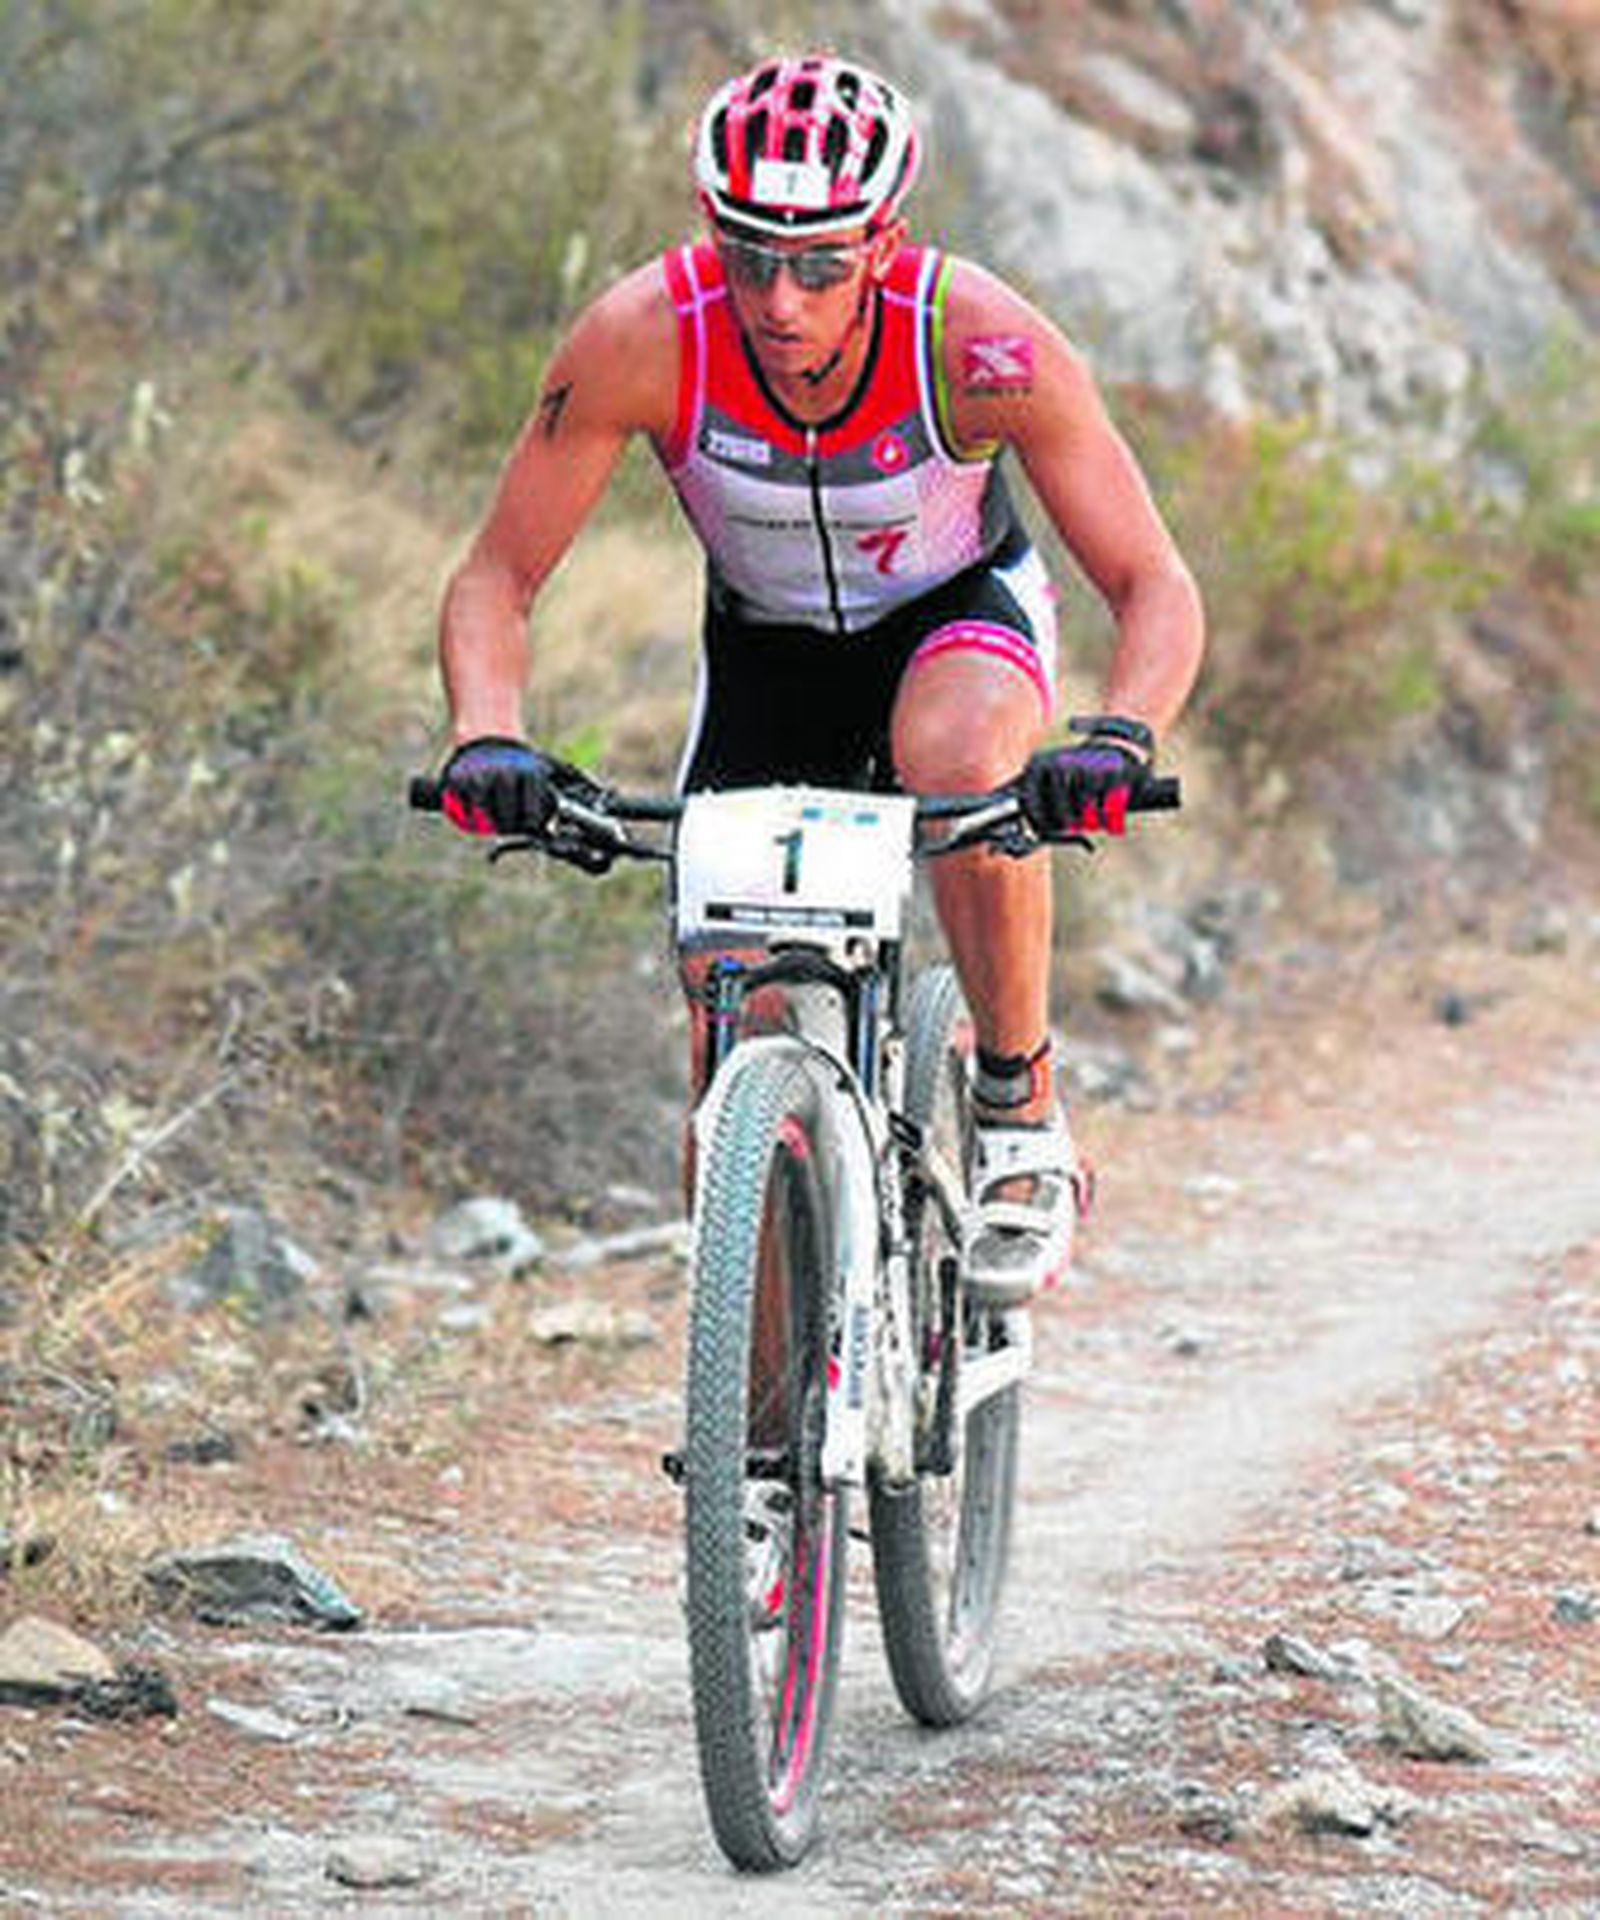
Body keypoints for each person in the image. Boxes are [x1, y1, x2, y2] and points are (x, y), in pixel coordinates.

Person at [432, 53, 1204, 1305]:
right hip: (767, 658)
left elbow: (1154, 583)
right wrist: (489, 738)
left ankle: (1016, 1107)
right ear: (708, 235)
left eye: (822, 266)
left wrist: (1117, 738)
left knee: (958, 763)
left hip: (954, 624)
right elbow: (493, 580)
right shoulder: (644, 338)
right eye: (750, 261)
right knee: (719, 1012)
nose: (781, 303)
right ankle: (761, 1446)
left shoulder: (981, 344)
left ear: (886, 244)